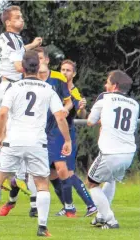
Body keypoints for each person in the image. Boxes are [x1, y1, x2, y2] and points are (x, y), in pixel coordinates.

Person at [0, 50, 71, 237]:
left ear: (22, 68)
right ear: (38, 67)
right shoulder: (48, 89)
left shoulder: (13, 87)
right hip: (37, 142)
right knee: (41, 184)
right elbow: (60, 116)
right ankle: (42, 227)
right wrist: (68, 140)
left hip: (13, 140)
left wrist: (1, 135)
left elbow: (2, 113)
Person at [0, 5, 42, 217]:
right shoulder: (9, 38)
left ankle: (15, 183)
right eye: (17, 18)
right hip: (10, 85)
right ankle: (16, 178)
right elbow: (20, 67)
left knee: (14, 144)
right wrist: (33, 69)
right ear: (8, 22)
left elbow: (18, 54)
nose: (22, 20)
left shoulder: (15, 39)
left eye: (21, 17)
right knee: (4, 151)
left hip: (10, 84)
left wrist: (31, 46)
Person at [86, 70, 138, 229]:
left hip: (110, 152)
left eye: (108, 82)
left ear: (114, 86)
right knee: (110, 179)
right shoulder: (135, 104)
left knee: (91, 183)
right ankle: (101, 216)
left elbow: (90, 121)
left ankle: (110, 218)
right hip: (129, 152)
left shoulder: (105, 97)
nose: (105, 85)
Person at [34, 47, 78, 217]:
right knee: (50, 174)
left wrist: (64, 110)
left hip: (55, 129)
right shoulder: (30, 79)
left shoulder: (58, 78)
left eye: (40, 58)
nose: (38, 62)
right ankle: (64, 205)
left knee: (61, 168)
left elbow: (69, 101)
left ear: (46, 60)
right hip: (38, 131)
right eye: (35, 59)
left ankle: (70, 206)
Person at [60, 59, 98, 217]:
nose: (64, 73)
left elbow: (83, 115)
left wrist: (81, 108)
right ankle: (68, 206)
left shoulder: (74, 92)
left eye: (68, 70)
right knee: (54, 173)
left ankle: (90, 205)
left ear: (74, 74)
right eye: (62, 69)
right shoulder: (56, 86)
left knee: (67, 172)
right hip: (53, 135)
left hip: (66, 135)